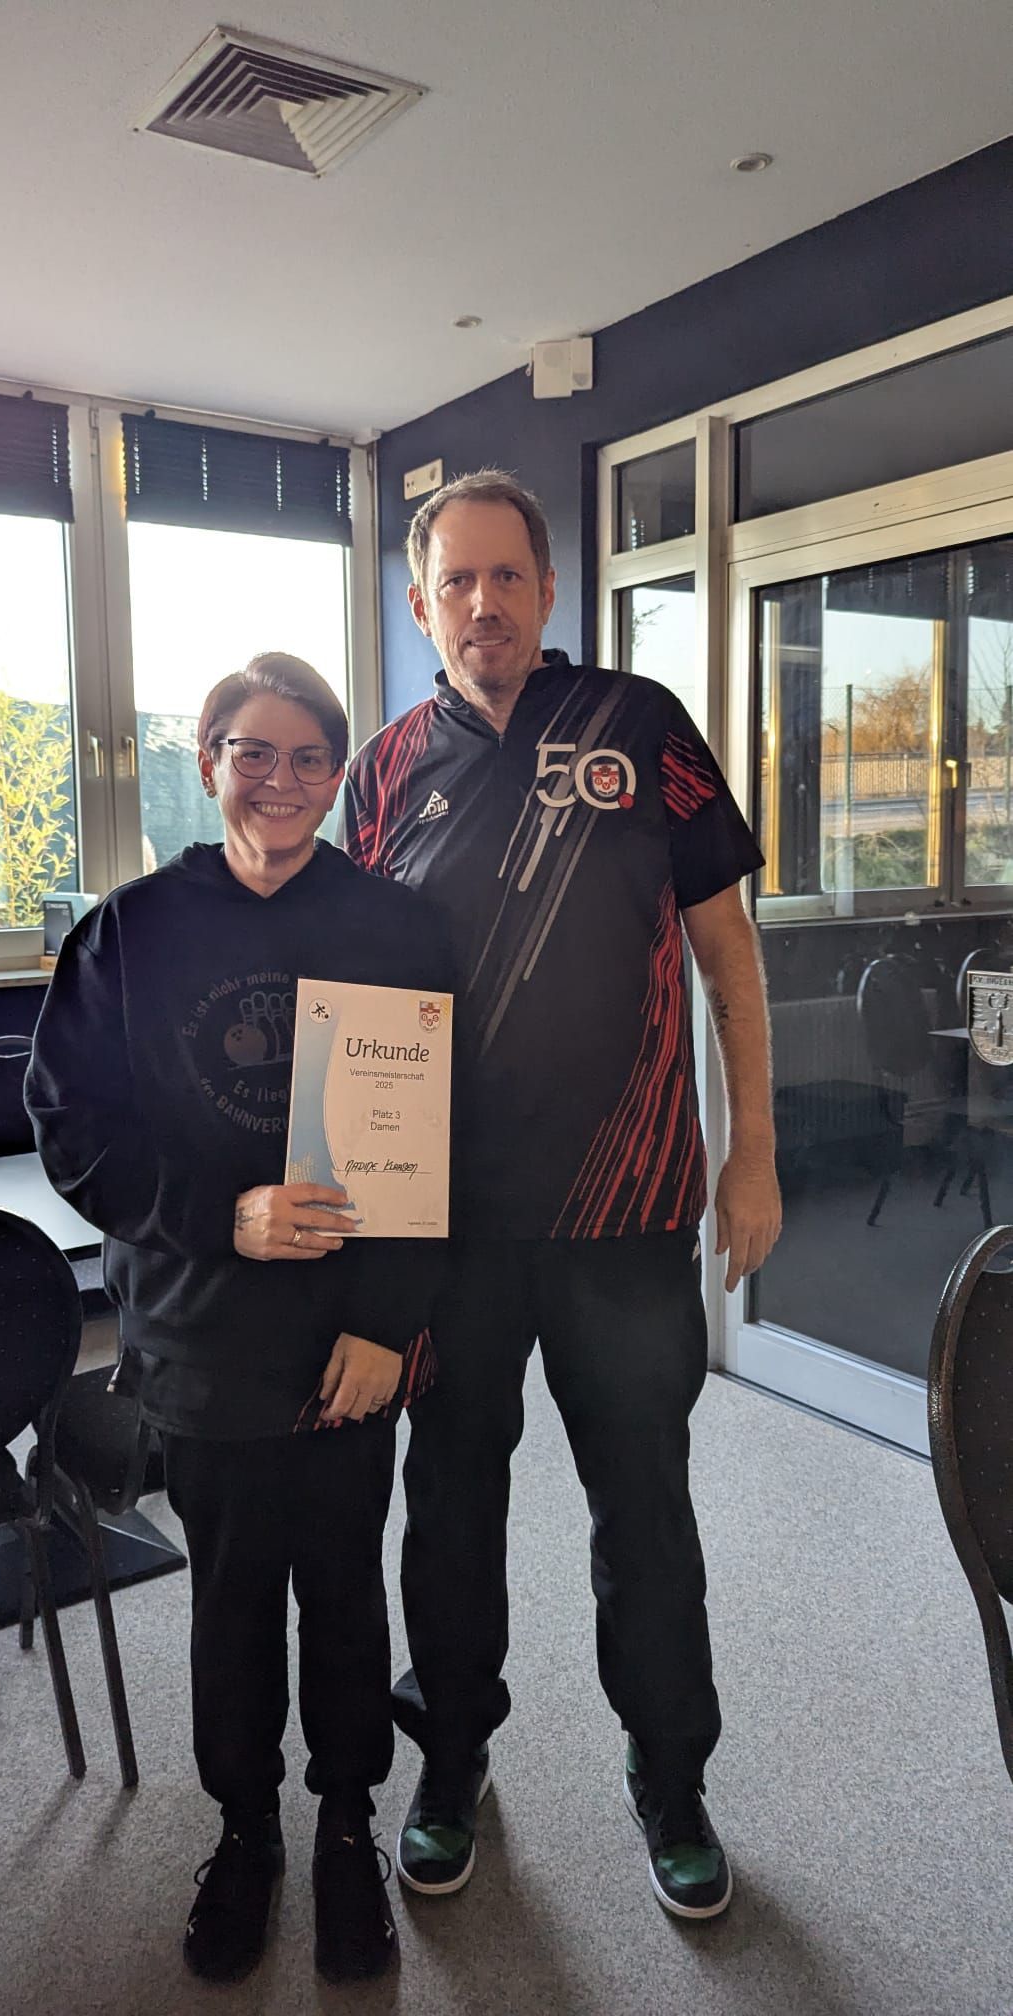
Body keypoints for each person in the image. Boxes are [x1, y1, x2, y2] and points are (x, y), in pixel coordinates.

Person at [341, 471, 781, 1921]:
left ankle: (672, 1778)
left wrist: (753, 1153)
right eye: (456, 582)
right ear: (421, 606)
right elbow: (358, 1012)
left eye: (509, 576)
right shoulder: (382, 775)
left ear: (547, 590)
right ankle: (450, 1758)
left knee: (644, 1508)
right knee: (450, 1506)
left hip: (628, 1214)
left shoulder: (638, 727)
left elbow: (727, 957)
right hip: (451, 1231)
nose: (485, 604)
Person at [26, 653, 451, 1987]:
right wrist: (226, 1215)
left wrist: (388, 1323)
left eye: (308, 757)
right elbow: (73, 1133)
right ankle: (246, 1830)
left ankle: (345, 1825)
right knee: (232, 1599)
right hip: (201, 1329)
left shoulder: (392, 927)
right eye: (251, 752)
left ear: (337, 776)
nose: (279, 780)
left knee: (343, 1589)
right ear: (207, 759)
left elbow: (440, 1139)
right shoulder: (130, 932)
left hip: (347, 1337)